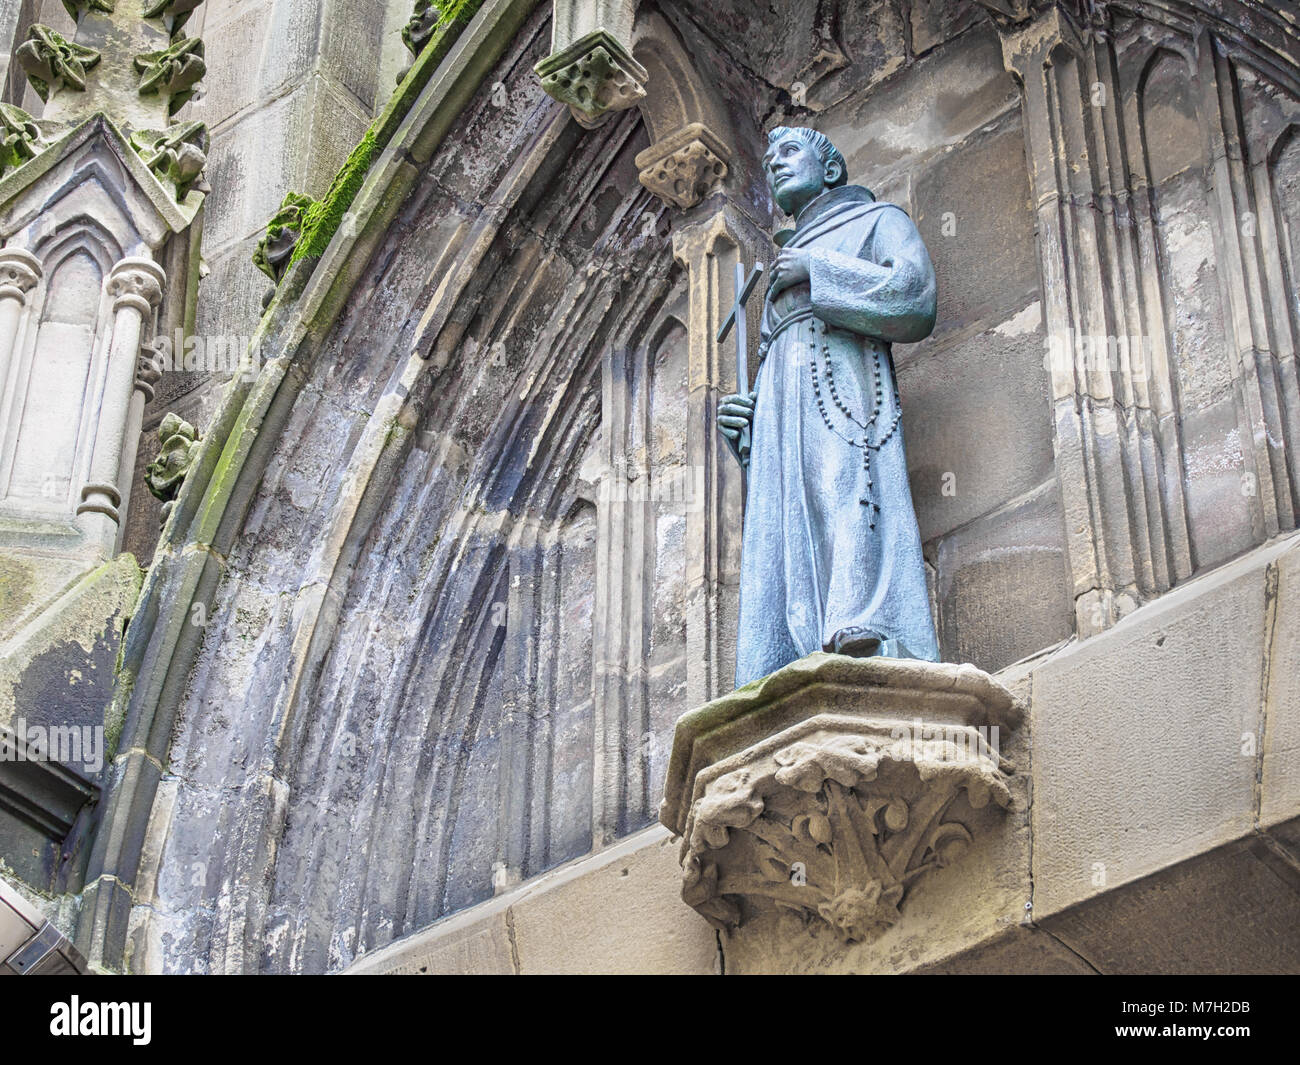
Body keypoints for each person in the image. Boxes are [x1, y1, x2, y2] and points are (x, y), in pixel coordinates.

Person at [718, 126, 940, 687]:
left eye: (790, 152)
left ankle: (863, 626)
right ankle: (783, 657)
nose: (775, 164)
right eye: (768, 159)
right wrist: (751, 425)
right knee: (782, 519)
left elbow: (914, 296)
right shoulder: (779, 270)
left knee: (848, 487)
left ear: (832, 169)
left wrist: (819, 271)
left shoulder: (876, 222)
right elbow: (775, 351)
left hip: (846, 388)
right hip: (783, 413)